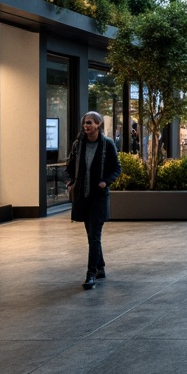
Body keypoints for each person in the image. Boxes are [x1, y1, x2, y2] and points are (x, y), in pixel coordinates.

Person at [66, 111, 121, 290]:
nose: (86, 126)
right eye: (84, 123)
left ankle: (91, 275)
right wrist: (71, 182)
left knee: (95, 235)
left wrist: (106, 182)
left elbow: (116, 169)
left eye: (89, 123)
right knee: (91, 235)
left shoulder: (107, 145)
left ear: (98, 124)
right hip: (82, 197)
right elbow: (69, 167)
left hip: (98, 196)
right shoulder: (78, 145)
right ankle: (101, 267)